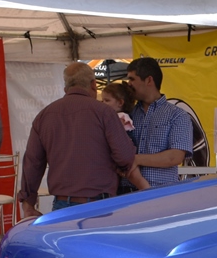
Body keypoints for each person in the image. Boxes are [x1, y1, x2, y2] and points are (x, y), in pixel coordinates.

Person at [18, 62, 136, 216]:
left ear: (65, 89)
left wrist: (28, 205)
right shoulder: (105, 113)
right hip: (100, 204)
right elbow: (125, 156)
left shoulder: (44, 116)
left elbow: (32, 162)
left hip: (62, 206)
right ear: (94, 85)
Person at [126, 57, 195, 187]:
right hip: (125, 192)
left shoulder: (177, 115)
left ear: (149, 80)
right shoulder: (127, 114)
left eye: (132, 79)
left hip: (160, 192)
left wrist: (136, 159)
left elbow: (175, 157)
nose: (128, 83)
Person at [100, 82, 150, 193]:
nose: (103, 103)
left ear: (120, 103)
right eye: (102, 101)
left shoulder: (120, 117)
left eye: (107, 100)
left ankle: (146, 188)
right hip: (119, 148)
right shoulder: (113, 117)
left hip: (124, 147)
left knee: (133, 173)